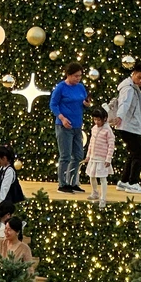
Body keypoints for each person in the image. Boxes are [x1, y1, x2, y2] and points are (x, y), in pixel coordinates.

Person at [49, 62, 88, 193]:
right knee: (65, 155)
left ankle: (72, 182)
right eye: (76, 76)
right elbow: (53, 105)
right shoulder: (60, 88)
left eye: (80, 76)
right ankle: (62, 183)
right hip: (64, 126)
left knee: (78, 155)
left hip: (77, 125)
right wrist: (62, 118)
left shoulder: (81, 87)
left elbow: (82, 102)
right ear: (68, 75)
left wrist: (86, 104)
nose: (78, 78)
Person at [113, 61, 141, 195]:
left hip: (128, 125)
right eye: (139, 77)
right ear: (133, 74)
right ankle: (133, 182)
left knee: (133, 153)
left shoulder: (132, 87)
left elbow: (132, 107)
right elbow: (124, 104)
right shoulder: (129, 88)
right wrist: (119, 117)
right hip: (127, 126)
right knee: (139, 153)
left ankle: (124, 181)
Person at [84, 107, 115, 208]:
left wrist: (108, 159)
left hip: (102, 159)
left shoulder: (108, 130)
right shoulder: (94, 129)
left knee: (102, 178)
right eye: (95, 119)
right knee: (92, 176)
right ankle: (95, 192)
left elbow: (111, 145)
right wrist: (88, 156)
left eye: (99, 120)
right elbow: (91, 144)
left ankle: (103, 198)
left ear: (104, 119)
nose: (96, 122)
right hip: (93, 157)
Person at [0, 147, 23, 216]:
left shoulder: (9, 171)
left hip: (7, 201)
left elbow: (5, 187)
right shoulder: (3, 168)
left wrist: (0, 202)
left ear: (4, 158)